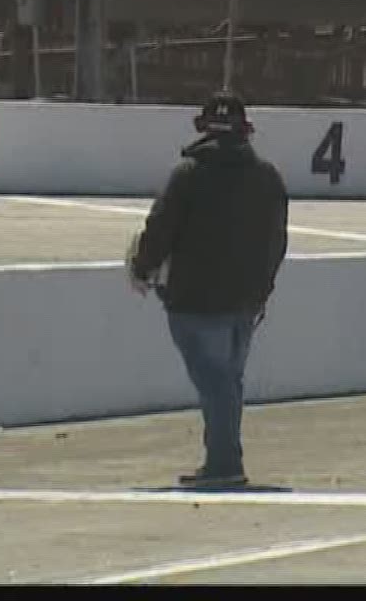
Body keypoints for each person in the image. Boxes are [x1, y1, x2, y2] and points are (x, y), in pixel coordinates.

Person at [127, 91, 290, 489]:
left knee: (215, 382)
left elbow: (160, 230)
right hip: (245, 301)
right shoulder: (267, 177)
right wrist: (263, 289)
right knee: (228, 381)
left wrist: (141, 268)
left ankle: (223, 463)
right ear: (245, 131)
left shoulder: (188, 174)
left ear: (204, 129)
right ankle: (224, 458)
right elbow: (276, 241)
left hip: (195, 300)